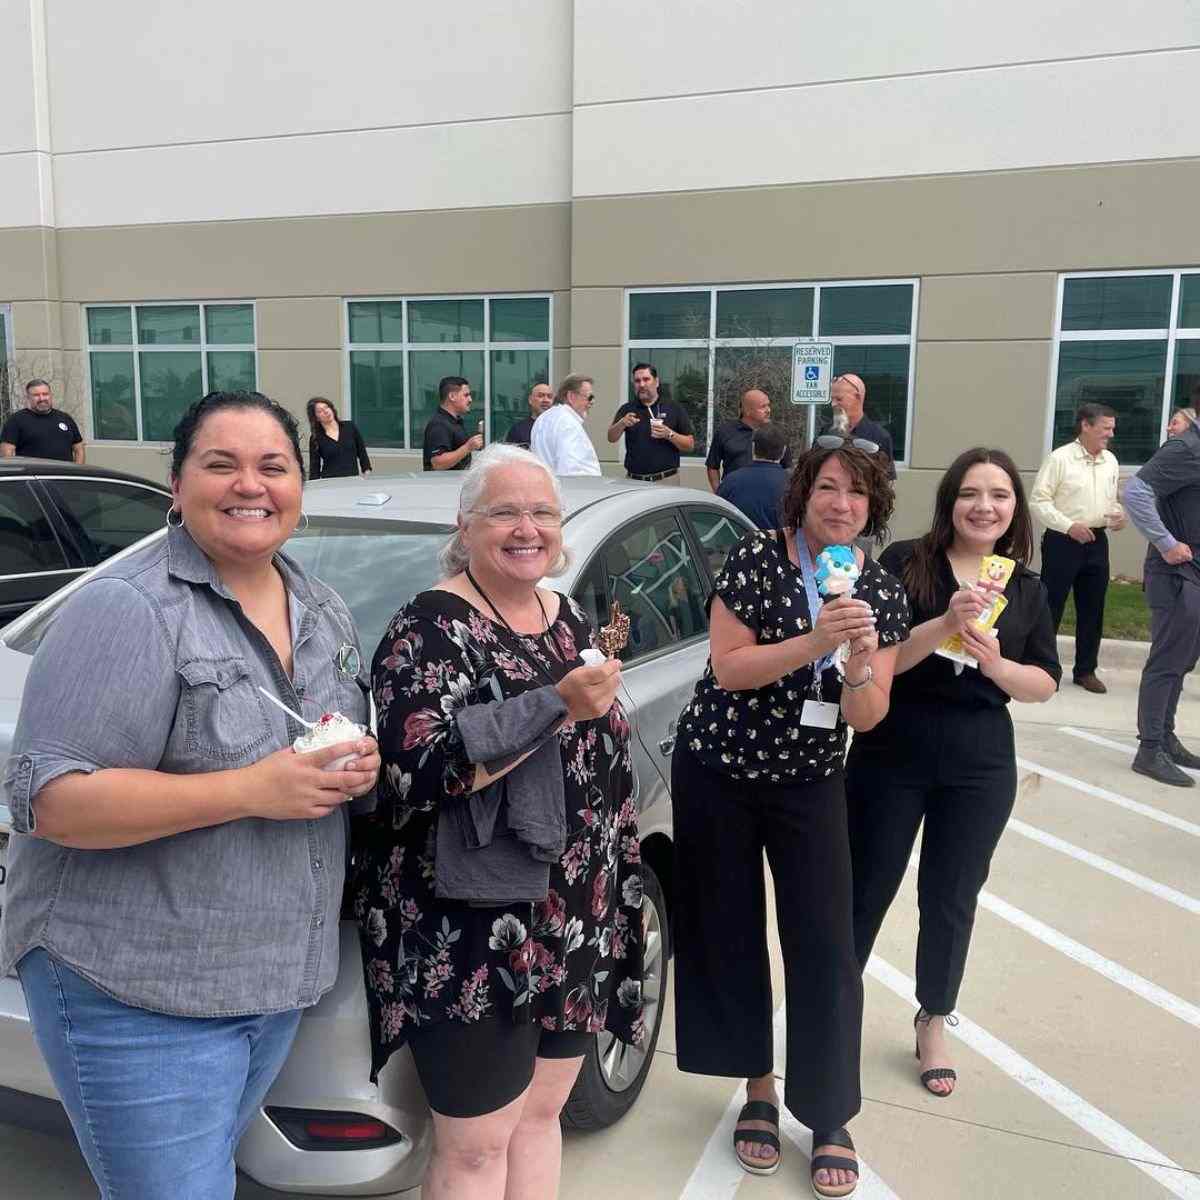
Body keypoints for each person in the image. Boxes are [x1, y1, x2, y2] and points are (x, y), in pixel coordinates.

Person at [0, 390, 380, 1200]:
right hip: (136, 990)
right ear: (176, 484)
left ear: (298, 487)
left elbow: (319, 740)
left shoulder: (321, 609)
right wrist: (252, 789)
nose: (251, 484)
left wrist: (354, 767)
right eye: (222, 464)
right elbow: (52, 800)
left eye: (273, 466)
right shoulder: (130, 607)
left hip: (269, 983)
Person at [353, 444, 644, 1200]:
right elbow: (417, 770)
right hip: (476, 928)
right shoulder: (428, 627)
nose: (527, 527)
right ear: (466, 525)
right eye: (505, 511)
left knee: (541, 1118)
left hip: (575, 915)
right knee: (477, 1148)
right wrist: (557, 707)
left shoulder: (566, 615)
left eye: (543, 512)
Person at [671, 442, 910, 1198]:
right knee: (731, 929)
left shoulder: (881, 590)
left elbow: (868, 717)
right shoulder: (752, 558)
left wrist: (858, 660)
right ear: (803, 493)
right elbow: (730, 667)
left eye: (858, 495)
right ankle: (759, 1089)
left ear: (874, 509)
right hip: (720, 773)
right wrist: (817, 639)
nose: (842, 505)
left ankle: (828, 1109)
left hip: (809, 781)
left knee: (825, 943)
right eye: (829, 489)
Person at [846, 448, 1060, 1099]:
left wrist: (995, 663)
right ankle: (834, 1011)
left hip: (979, 759)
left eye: (999, 495)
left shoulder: (1023, 587)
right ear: (950, 501)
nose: (984, 506)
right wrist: (945, 621)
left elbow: (1043, 683)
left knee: (951, 895)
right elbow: (880, 658)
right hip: (894, 747)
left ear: (1014, 509)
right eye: (971, 492)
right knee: (864, 887)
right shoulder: (905, 564)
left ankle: (933, 1018)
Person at [1124, 402, 1200, 786]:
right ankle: (1149, 749)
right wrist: (1166, 542)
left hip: (1193, 574)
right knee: (1167, 661)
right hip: (1176, 574)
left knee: (1183, 661)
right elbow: (1135, 492)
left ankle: (1166, 739)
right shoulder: (1186, 447)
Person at [1029, 403, 1126, 694]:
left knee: (1093, 607)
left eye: (1112, 428)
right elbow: (1039, 501)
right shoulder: (1060, 459)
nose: (1111, 433)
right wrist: (1069, 526)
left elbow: (1110, 500)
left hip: (1097, 541)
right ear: (1086, 425)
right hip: (1063, 541)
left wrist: (1118, 514)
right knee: (1052, 605)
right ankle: (1043, 666)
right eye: (1106, 427)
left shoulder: (1110, 461)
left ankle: (1086, 671)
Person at [606, 362, 695, 482]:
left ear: (656, 382)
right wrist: (622, 423)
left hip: (666, 479)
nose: (641, 384)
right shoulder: (627, 409)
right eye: (637, 381)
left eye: (646, 379)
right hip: (634, 480)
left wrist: (669, 434)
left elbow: (689, 445)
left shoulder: (673, 408)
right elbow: (611, 438)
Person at [706, 387, 792, 489]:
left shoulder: (776, 434)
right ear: (747, 411)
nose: (768, 410)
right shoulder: (725, 432)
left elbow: (788, 467)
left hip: (768, 494)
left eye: (768, 405)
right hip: (734, 494)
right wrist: (719, 493)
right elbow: (712, 466)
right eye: (763, 407)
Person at [716, 422, 790, 530]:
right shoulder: (793, 484)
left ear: (753, 447)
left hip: (737, 545)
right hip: (780, 545)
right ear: (784, 451)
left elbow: (717, 519)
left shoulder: (730, 482)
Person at [530, 373, 601, 476]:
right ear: (571, 396)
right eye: (589, 397)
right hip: (574, 489)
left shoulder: (543, 419)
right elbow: (572, 471)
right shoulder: (568, 423)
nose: (592, 402)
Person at [0, 379, 84, 463]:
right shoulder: (16, 420)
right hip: (34, 475)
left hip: (65, 475)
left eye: (45, 394)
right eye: (36, 395)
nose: (42, 398)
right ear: (28, 398)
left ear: (51, 395)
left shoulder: (65, 418)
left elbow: (79, 449)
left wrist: (79, 471)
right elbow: (7, 453)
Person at [828, 374, 894, 480]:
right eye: (832, 399)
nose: (833, 404)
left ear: (857, 397)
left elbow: (886, 483)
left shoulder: (879, 436)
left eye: (839, 399)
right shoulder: (826, 433)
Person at [423, 376, 483, 471]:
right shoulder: (439, 424)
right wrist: (468, 447)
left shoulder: (455, 422)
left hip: (454, 483)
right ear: (452, 397)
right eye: (466, 395)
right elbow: (438, 463)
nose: (470, 399)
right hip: (442, 484)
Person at [306, 395, 372, 479]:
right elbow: (314, 467)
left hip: (352, 480)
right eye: (320, 411)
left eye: (326, 407)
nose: (326, 411)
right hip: (330, 482)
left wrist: (366, 472)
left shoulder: (350, 427)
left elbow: (362, 453)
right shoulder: (315, 438)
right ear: (316, 418)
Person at [504, 381, 555, 449]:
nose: (546, 400)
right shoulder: (518, 430)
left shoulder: (559, 428)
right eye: (540, 396)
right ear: (530, 400)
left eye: (549, 397)